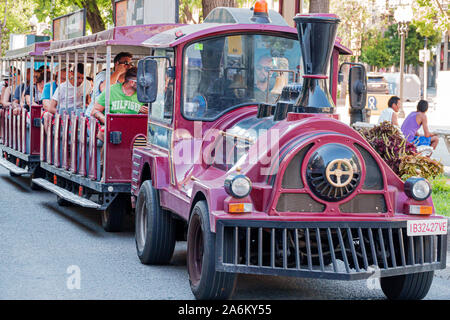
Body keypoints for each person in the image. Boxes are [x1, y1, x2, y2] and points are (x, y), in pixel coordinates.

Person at [91, 67, 147, 141]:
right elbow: (95, 111)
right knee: (111, 138)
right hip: (112, 129)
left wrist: (147, 113)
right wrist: (107, 121)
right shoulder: (111, 90)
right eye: (141, 82)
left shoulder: (144, 94)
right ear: (132, 82)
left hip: (133, 130)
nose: (144, 85)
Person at [85, 52, 133, 116]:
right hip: (94, 117)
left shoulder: (128, 82)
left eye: (131, 64)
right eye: (126, 63)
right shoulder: (103, 75)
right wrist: (118, 71)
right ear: (117, 64)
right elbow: (105, 90)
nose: (129, 66)